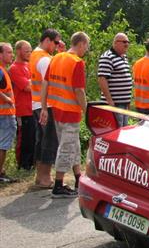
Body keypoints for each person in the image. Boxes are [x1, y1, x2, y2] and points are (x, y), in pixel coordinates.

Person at [40, 32, 90, 198]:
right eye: (86, 46)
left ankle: (78, 177)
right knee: (66, 148)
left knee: (73, 144)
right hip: (70, 111)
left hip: (57, 109)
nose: (86, 50)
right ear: (81, 44)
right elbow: (79, 91)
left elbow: (45, 83)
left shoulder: (56, 57)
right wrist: (86, 110)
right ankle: (59, 184)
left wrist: (44, 107)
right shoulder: (77, 62)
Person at [30, 28, 61, 188]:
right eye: (56, 42)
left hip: (36, 103)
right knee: (49, 140)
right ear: (47, 40)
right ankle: (44, 177)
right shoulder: (44, 59)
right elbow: (47, 83)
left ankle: (39, 175)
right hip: (46, 105)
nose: (57, 45)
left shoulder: (35, 55)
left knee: (41, 139)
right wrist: (44, 107)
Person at [9, 40, 35, 171]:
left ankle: (31, 162)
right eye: (26, 51)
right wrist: (35, 81)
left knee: (33, 137)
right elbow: (27, 87)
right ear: (18, 51)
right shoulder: (14, 68)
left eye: (30, 51)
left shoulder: (28, 65)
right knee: (24, 137)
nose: (29, 53)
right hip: (22, 109)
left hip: (33, 108)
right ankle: (23, 163)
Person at [97, 33, 132, 126]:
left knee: (123, 130)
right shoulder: (107, 57)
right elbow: (102, 79)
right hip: (115, 103)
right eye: (124, 42)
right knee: (116, 130)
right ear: (116, 43)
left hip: (123, 103)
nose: (127, 44)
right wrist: (109, 101)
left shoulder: (123, 57)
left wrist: (128, 101)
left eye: (128, 42)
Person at [0, 43, 17, 183]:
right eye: (9, 52)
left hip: (5, 113)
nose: (12, 55)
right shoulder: (0, 70)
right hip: (4, 114)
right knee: (3, 145)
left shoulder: (3, 70)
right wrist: (6, 98)